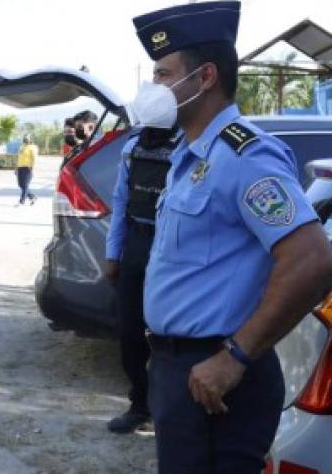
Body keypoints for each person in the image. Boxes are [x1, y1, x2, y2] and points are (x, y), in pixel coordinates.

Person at [130, 0, 332, 474]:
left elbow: (311, 260)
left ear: (204, 78)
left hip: (217, 376)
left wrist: (235, 357)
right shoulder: (192, 155)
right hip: (180, 370)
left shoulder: (244, 156)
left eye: (163, 75)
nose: (153, 88)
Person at [103, 125, 179, 433]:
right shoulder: (133, 147)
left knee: (171, 334)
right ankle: (140, 405)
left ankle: (172, 410)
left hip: (172, 247)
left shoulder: (188, 144)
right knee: (130, 331)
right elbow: (121, 200)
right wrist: (112, 254)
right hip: (137, 241)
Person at [15, 134, 39, 206]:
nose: (25, 139)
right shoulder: (22, 147)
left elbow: (34, 158)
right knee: (21, 185)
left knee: (25, 185)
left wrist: (32, 167)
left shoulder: (33, 147)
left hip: (27, 168)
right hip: (20, 168)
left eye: (27, 138)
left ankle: (21, 201)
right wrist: (16, 168)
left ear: (31, 139)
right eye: (24, 137)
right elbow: (19, 158)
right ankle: (33, 197)